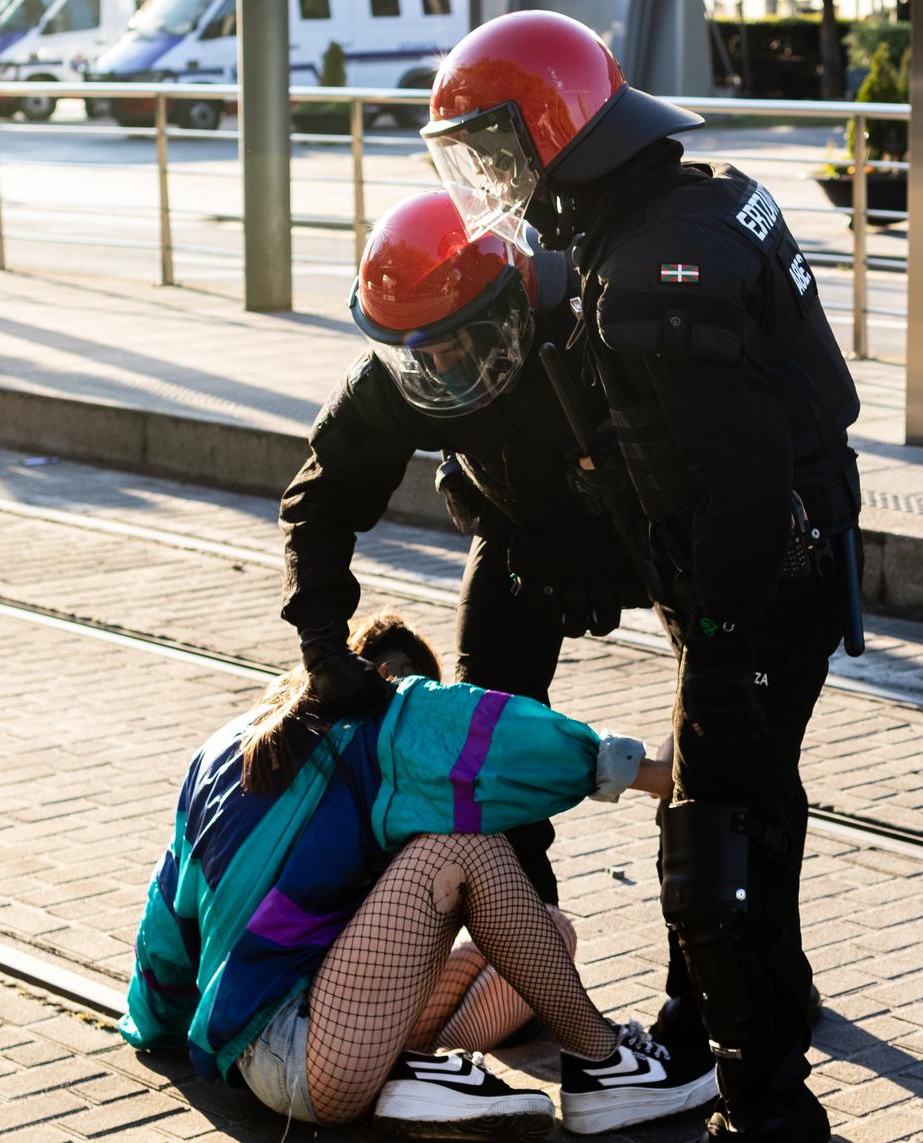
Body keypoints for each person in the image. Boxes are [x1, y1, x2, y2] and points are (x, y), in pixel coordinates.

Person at [421, 13, 865, 1140]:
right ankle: (757, 1031)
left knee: (715, 854)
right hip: (780, 577)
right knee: (756, 815)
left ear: (557, 130)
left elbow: (739, 485)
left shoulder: (659, 279)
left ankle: (759, 1101)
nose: (492, 180)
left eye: (496, 150)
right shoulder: (691, 203)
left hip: (758, 593)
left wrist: (715, 648)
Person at [121, 614, 717, 1140]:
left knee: (550, 932)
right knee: (461, 846)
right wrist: (659, 776)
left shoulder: (225, 749)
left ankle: (412, 1071)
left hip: (312, 1035)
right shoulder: (385, 721)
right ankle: (605, 1065)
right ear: (390, 679)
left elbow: (167, 916)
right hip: (296, 1053)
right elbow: (508, 743)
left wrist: (155, 1026)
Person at [278, 190, 646, 918]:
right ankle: (528, 957)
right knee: (482, 760)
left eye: (457, 343)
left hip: (642, 525)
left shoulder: (591, 322)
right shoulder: (406, 366)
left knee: (724, 739)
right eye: (422, 353)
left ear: (507, 312)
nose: (442, 366)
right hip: (516, 530)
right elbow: (317, 502)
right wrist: (323, 648)